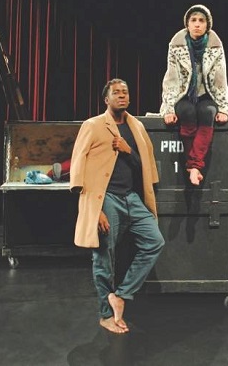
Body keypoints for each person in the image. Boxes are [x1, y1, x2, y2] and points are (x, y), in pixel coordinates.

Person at [70, 78, 165, 334]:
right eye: (116, 93)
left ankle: (121, 295)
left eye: (125, 92)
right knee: (104, 257)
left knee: (154, 242)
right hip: (107, 199)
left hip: (132, 198)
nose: (122, 96)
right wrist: (95, 209)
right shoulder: (93, 125)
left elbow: (145, 165)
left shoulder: (137, 127)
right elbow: (78, 165)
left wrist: (127, 150)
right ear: (106, 99)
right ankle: (105, 314)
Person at [160, 4, 228, 185]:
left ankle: (194, 166)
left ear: (207, 25)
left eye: (201, 21)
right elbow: (172, 79)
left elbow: (220, 79)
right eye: (193, 20)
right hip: (183, 95)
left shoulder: (215, 46)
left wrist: (223, 108)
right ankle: (195, 166)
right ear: (187, 24)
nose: (197, 24)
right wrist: (168, 109)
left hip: (207, 95)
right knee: (188, 112)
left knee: (207, 113)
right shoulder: (176, 45)